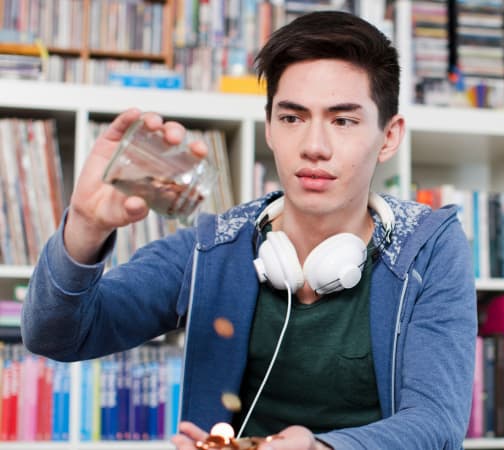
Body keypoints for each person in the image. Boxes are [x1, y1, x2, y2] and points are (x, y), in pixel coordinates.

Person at [22, 11, 477, 450]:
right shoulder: (215, 247)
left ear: (389, 136)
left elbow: (436, 425)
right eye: (292, 118)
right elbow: (55, 336)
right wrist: (84, 225)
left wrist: (320, 448)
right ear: (270, 129)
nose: (314, 147)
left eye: (343, 120)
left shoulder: (430, 248)